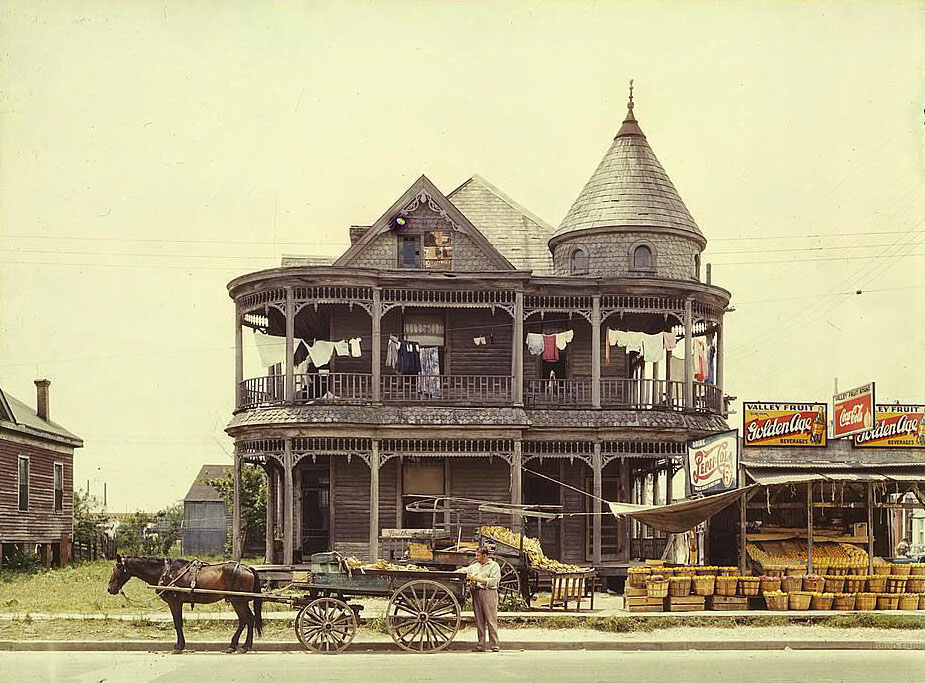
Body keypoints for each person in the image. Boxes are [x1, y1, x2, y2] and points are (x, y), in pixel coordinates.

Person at [462, 545, 501, 652]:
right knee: (479, 621)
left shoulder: (494, 566)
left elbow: (494, 581)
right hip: (477, 593)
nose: (476, 557)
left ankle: (494, 645)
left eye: (478, 555)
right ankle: (481, 645)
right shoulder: (475, 566)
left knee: (491, 620)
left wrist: (477, 579)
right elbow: (465, 570)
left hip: (489, 593)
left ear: (485, 556)